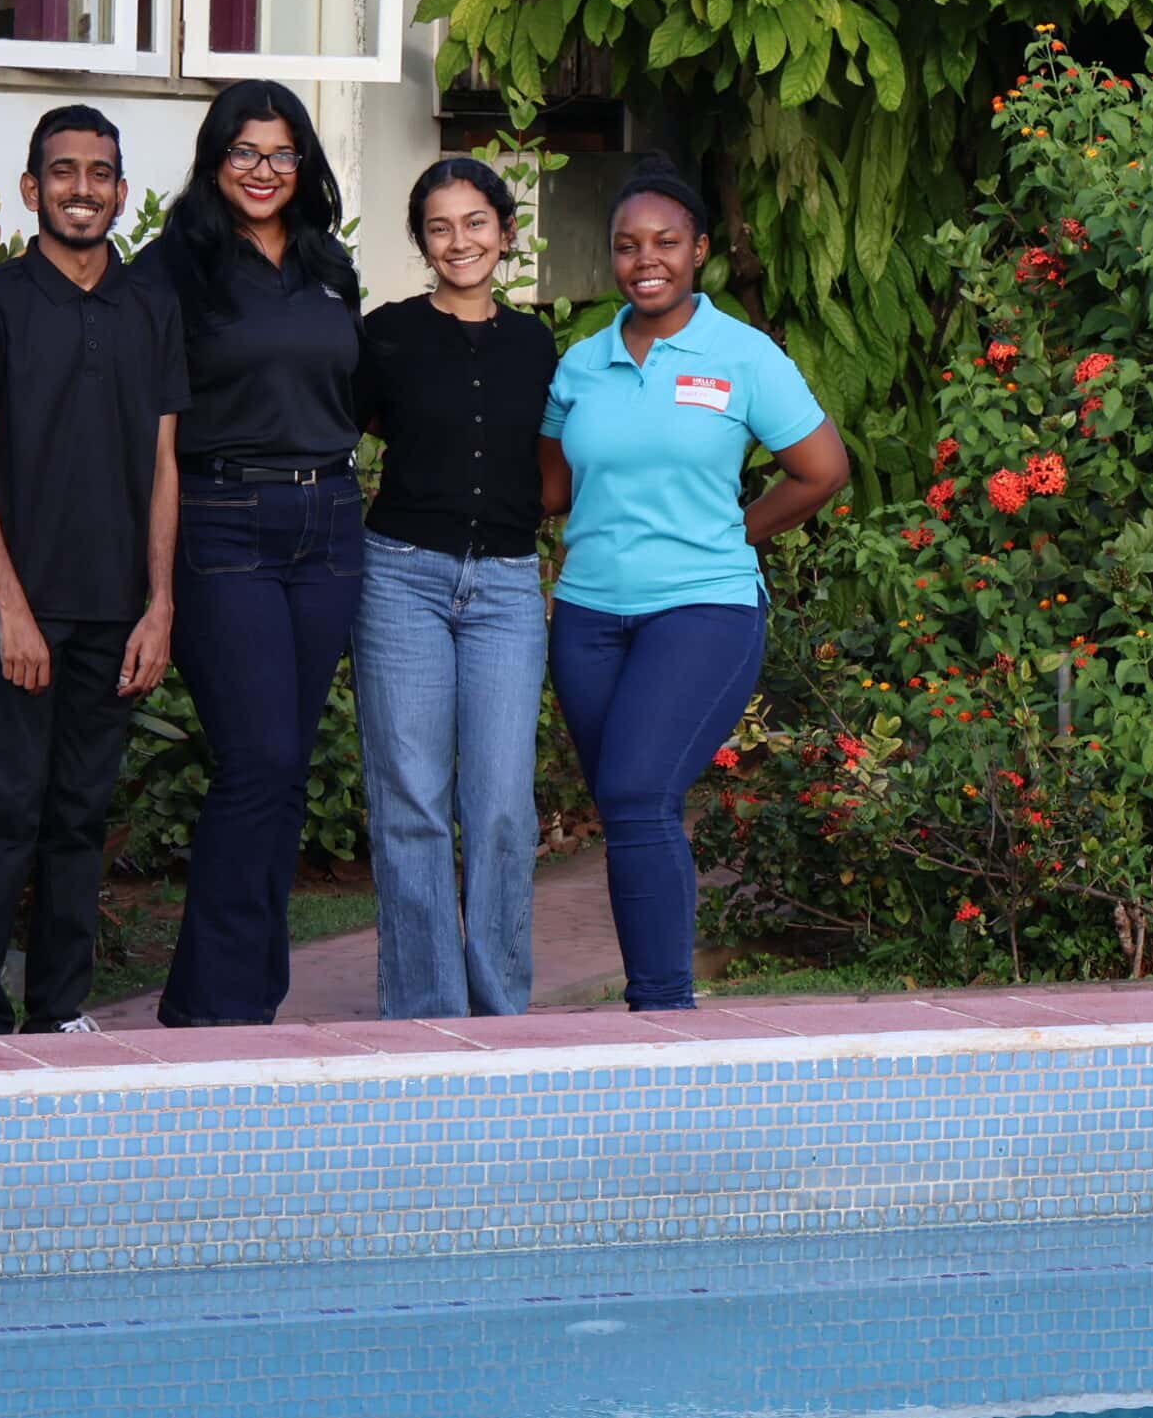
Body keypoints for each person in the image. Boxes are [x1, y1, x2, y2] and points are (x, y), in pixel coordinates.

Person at [539, 157, 850, 1013]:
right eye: (627, 244)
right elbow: (552, 491)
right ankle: (657, 1010)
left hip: (703, 608)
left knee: (639, 791)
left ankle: (664, 1011)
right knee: (627, 808)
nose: (646, 259)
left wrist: (732, 533)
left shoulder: (744, 356)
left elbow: (822, 469)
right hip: (589, 618)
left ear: (700, 250)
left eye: (666, 242)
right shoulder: (581, 366)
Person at [0, 103, 186, 1037]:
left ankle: (60, 1009)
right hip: (17, 609)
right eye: (64, 171)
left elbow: (163, 464)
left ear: (121, 193)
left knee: (81, 815)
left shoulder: (153, 307)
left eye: (100, 173)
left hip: (116, 611)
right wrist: (10, 606)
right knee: (8, 809)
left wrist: (160, 605)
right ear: (31, 188)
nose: (83, 188)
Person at [133, 80, 364, 1027]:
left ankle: (238, 999)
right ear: (214, 159)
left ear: (302, 162)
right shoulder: (171, 269)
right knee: (257, 759)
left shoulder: (328, 263)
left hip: (329, 522)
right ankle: (215, 1010)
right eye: (244, 152)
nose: (263, 171)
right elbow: (148, 432)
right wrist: (154, 585)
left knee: (285, 768)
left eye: (281, 154)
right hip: (223, 519)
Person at [353, 158, 557, 1018]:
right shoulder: (386, 334)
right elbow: (352, 422)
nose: (460, 241)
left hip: (506, 588)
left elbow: (552, 461)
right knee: (412, 803)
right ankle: (427, 1012)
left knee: (503, 804)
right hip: (401, 578)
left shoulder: (536, 344)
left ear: (505, 232)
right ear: (422, 241)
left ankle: (501, 1008)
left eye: (476, 222)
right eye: (440, 227)